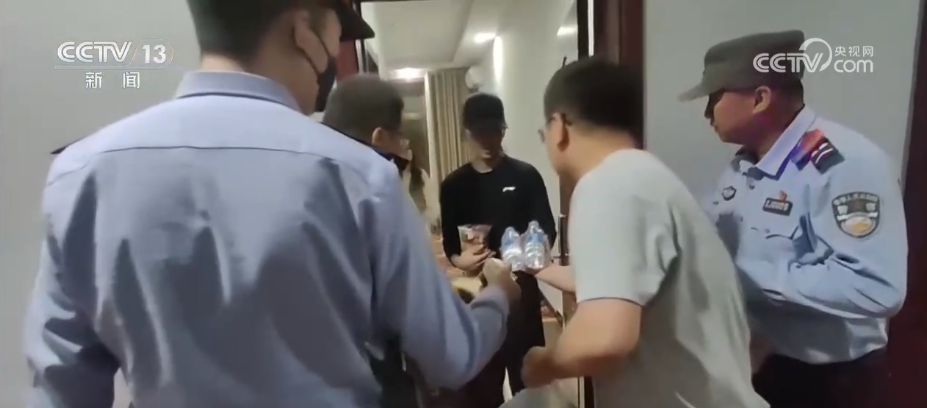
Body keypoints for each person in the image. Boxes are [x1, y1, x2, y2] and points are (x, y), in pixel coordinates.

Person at [22, 1, 521, 407]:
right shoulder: (359, 177)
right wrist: (499, 295)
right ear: (303, 31)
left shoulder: (81, 174)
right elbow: (450, 355)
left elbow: (61, 387)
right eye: (335, 38)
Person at [519, 58, 766, 408]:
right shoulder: (642, 177)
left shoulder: (607, 185)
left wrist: (546, 364)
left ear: (558, 127)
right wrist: (542, 269)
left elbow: (603, 338)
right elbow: (620, 278)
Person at [681, 30, 907, 408]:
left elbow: (875, 286)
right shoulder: (746, 164)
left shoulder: (846, 166)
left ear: (760, 98)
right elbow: (711, 231)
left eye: (714, 97)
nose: (707, 112)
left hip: (828, 382)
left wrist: (741, 278)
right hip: (761, 364)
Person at [439, 92, 557, 407]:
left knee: (529, 385)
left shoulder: (525, 176)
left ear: (503, 131)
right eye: (480, 132)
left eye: (495, 131)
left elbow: (547, 229)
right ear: (466, 133)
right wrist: (461, 259)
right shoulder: (453, 186)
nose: (488, 140)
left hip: (521, 293)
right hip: (476, 296)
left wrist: (525, 257)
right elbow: (451, 244)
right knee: (482, 389)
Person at [323, 74, 440, 231]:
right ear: (379, 137)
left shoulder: (323, 189)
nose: (402, 147)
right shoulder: (380, 189)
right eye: (398, 137)